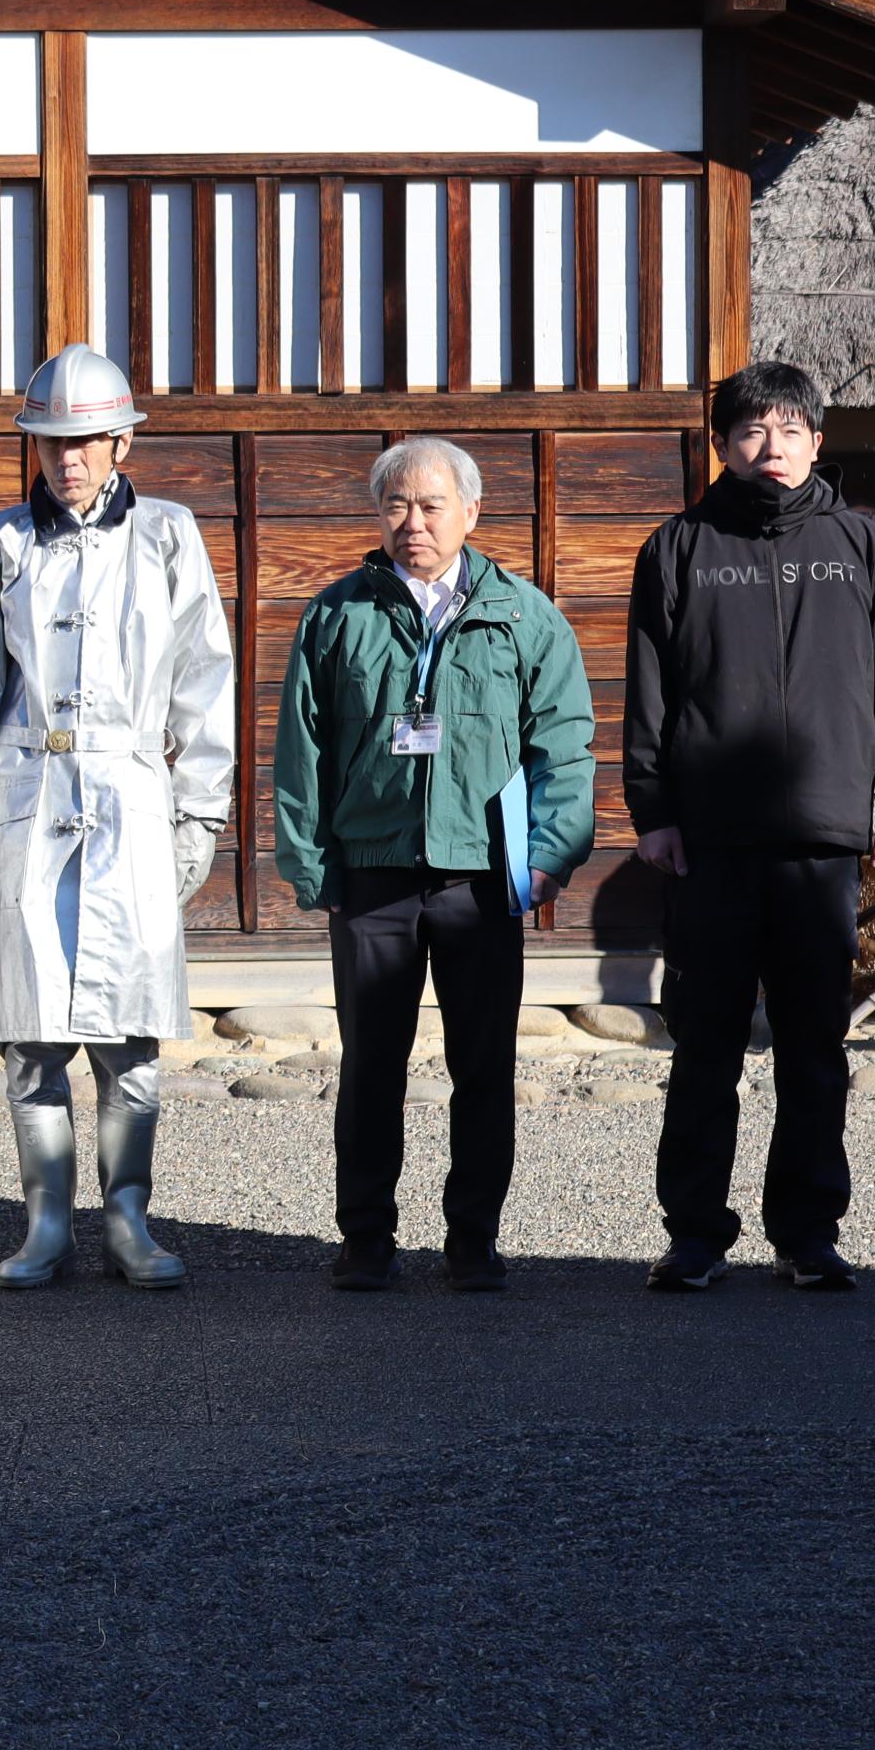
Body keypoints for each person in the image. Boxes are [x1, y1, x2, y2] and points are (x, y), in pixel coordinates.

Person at [0, 343, 236, 1291]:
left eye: (88, 441)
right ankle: (46, 1221)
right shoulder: (1, 543)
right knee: (29, 1032)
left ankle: (129, 1216)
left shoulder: (169, 535)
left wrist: (200, 814)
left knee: (128, 1027)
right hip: (30, 791)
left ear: (122, 441)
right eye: (52, 442)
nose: (68, 459)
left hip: (130, 794)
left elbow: (205, 683)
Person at [627, 361, 875, 1293]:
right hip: (712, 841)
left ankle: (806, 1232)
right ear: (721, 445)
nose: (772, 448)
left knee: (812, 1048)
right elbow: (648, 693)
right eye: (752, 432)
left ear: (816, 443)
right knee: (704, 1045)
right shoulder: (678, 547)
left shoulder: (861, 545)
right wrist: (653, 811)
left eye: (790, 431)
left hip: (824, 838)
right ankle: (692, 1233)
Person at [274, 437, 595, 1292]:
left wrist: (550, 855)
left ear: (471, 513)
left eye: (429, 506)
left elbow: (562, 745)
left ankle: (472, 1239)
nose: (411, 523)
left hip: (479, 878)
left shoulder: (522, 616)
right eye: (394, 506)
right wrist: (312, 864)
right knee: (369, 1065)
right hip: (374, 874)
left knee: (481, 1065)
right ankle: (365, 1238)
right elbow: (300, 752)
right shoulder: (338, 613)